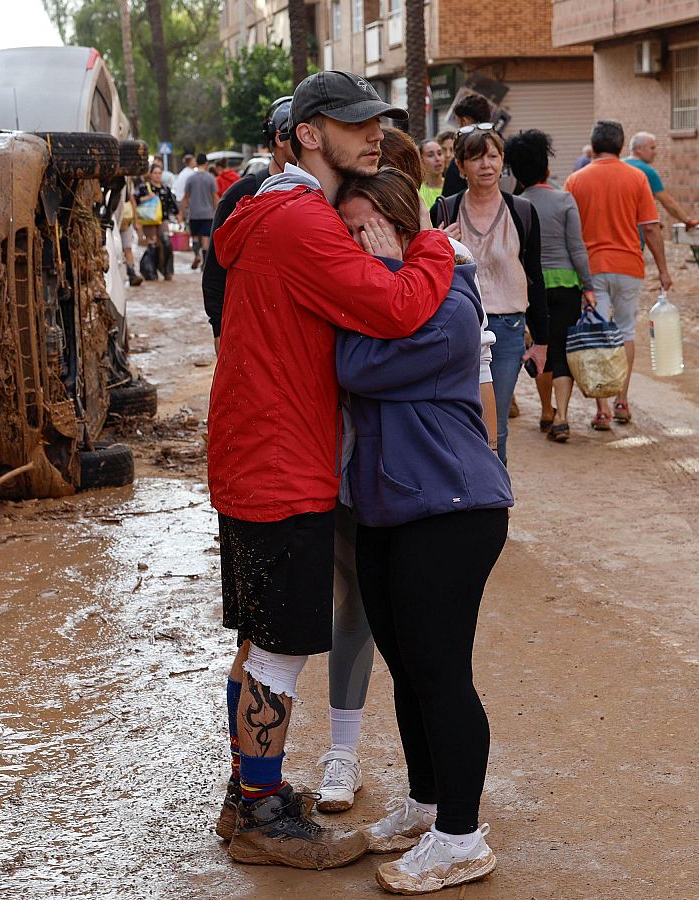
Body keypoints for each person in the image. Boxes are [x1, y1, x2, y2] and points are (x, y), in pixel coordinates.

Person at [208, 70, 457, 870]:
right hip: (283, 459)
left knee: (259, 641)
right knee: (279, 649)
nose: (373, 134)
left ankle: (254, 792)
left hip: (254, 451)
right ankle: (259, 817)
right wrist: (430, 247)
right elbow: (394, 309)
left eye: (377, 121)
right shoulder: (303, 220)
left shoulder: (266, 209)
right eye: (355, 124)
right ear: (309, 133)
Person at [332, 167, 513, 895]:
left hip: (453, 508)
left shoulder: (451, 302)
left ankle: (463, 838)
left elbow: (356, 364)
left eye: (368, 228)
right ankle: (427, 805)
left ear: (403, 229)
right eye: (345, 229)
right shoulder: (377, 296)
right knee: (410, 671)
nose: (355, 241)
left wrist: (380, 273)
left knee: (441, 675)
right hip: (385, 506)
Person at [432, 126, 546, 463]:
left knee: (495, 422)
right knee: (459, 416)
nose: (486, 164)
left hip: (509, 330)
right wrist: (437, 243)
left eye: (493, 156)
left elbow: (534, 276)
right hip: (459, 327)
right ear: (461, 166)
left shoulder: (522, 211)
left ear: (503, 162)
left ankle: (496, 500)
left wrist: (541, 340)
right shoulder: (445, 211)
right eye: (477, 157)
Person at [565, 119, 671, 429]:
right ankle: (622, 399)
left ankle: (603, 408)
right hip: (629, 266)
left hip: (591, 269)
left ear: (593, 146)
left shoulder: (575, 180)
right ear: (622, 147)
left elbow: (568, 230)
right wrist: (663, 269)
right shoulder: (637, 178)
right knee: (624, 331)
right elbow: (650, 229)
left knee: (599, 332)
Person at [506, 129, 592, 443]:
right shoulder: (564, 199)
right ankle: (564, 417)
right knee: (560, 349)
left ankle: (546, 410)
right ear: (546, 168)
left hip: (530, 289)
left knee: (539, 346)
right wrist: (589, 286)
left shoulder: (514, 205)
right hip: (567, 286)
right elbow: (577, 248)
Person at [204, 96, 294, 349]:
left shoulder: (325, 189)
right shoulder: (242, 194)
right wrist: (219, 327)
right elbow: (216, 267)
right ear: (279, 137)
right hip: (252, 331)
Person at [624, 132, 699, 233]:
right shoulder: (647, 171)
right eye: (652, 148)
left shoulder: (620, 164)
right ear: (638, 149)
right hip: (634, 233)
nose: (655, 152)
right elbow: (667, 202)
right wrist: (687, 221)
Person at [441, 93, 492, 195]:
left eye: (458, 123)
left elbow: (447, 202)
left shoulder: (460, 160)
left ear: (464, 121)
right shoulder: (505, 150)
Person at [134, 161, 176, 281]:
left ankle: (167, 270)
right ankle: (150, 271)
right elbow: (134, 200)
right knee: (152, 245)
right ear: (151, 174)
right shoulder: (144, 188)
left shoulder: (166, 189)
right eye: (155, 173)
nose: (157, 175)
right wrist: (148, 197)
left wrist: (179, 217)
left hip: (162, 220)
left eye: (159, 173)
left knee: (166, 242)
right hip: (149, 220)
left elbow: (172, 205)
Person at [183, 153, 219, 269]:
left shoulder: (190, 178)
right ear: (206, 163)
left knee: (194, 237)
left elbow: (186, 197)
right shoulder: (211, 178)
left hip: (194, 214)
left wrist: (181, 212)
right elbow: (215, 196)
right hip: (208, 214)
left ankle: (196, 255)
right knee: (205, 238)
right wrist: (217, 210)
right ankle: (205, 262)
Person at [419, 138, 446, 212]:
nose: (437, 159)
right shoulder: (417, 192)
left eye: (440, 153)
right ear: (421, 160)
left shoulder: (454, 185)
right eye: (430, 155)